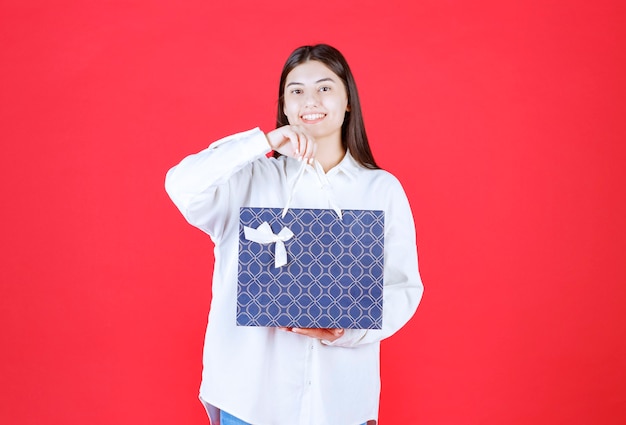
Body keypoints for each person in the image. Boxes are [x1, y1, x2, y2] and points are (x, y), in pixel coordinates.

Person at [165, 44, 424, 425]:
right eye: (296, 90)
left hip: (340, 402)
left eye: (324, 87)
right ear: (284, 106)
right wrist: (262, 143)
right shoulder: (249, 179)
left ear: (347, 100)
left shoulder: (380, 189)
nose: (310, 100)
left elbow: (402, 287)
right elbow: (181, 185)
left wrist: (348, 330)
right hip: (250, 397)